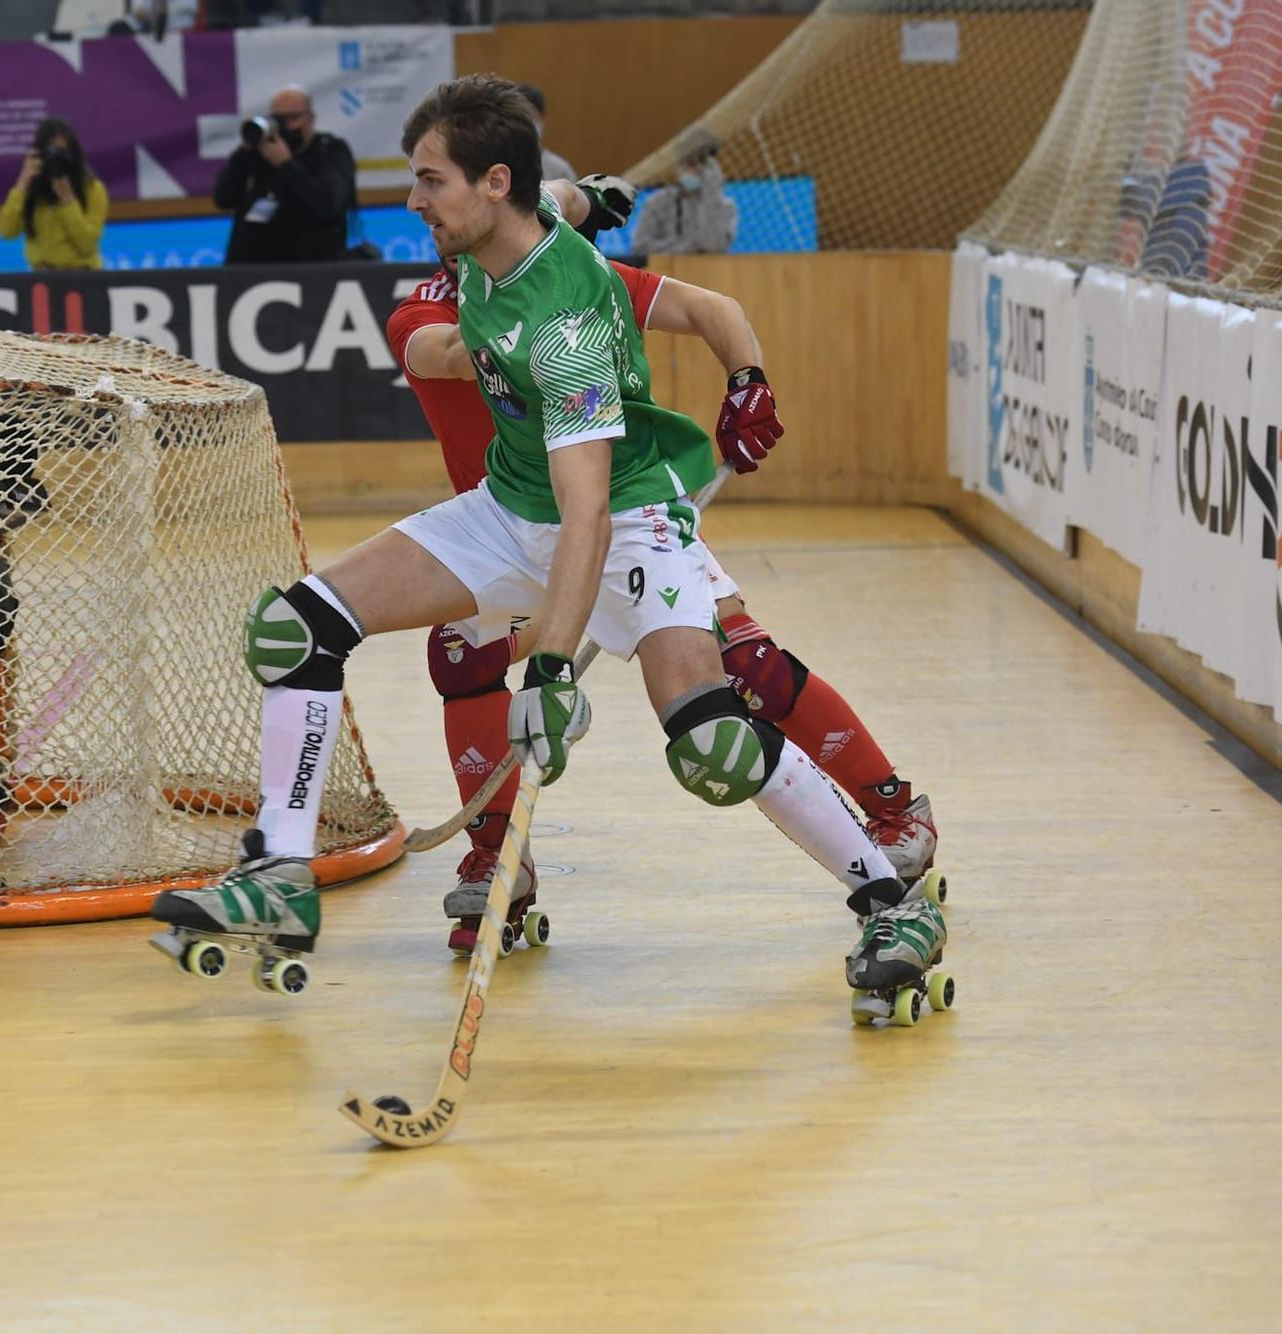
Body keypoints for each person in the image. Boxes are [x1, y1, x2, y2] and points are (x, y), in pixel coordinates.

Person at [152, 75, 945, 1005]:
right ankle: (280, 877)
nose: (413, 202)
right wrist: (589, 192)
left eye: (428, 181)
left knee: (711, 740)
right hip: (507, 507)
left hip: (623, 523)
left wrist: (554, 669)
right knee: (298, 630)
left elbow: (588, 517)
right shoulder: (517, 222)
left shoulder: (564, 327)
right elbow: (562, 199)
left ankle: (891, 901)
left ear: (490, 186)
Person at [387, 190, 938, 953]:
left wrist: (748, 378)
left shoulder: (575, 281)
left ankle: (894, 809)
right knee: (462, 658)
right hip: (511, 535)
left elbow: (715, 311)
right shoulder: (435, 314)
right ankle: (496, 858)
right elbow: (448, 351)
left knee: (746, 667)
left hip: (623, 512)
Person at [213, 85, 355, 264]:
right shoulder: (260, 152)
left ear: (310, 117)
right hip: (251, 267)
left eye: (293, 118)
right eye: (278, 119)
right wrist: (245, 151)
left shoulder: (330, 150)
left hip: (312, 268)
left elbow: (327, 204)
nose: (285, 126)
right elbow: (223, 198)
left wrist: (286, 164)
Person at [0, 117, 108, 271]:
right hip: (42, 279)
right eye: (51, 155)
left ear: (74, 155)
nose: (56, 162)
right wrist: (22, 182)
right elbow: (6, 231)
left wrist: (68, 200)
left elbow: (87, 245)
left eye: (62, 155)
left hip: (82, 276)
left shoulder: (92, 189)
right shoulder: (32, 189)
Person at [516, 84, 575, 185]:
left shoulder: (560, 170)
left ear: (541, 119)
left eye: (530, 116)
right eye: (520, 116)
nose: (526, 123)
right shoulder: (496, 166)